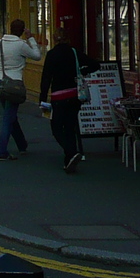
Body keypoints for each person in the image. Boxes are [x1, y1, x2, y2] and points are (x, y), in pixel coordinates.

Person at [0, 19, 42, 162]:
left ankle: (22, 145)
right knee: (8, 118)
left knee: (10, 115)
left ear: (10, 28)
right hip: (14, 85)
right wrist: (31, 38)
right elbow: (37, 56)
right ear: (22, 30)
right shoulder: (21, 45)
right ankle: (2, 152)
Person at [39, 31, 96, 173]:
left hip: (59, 96)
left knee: (57, 128)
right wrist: (81, 72)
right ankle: (69, 161)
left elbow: (46, 77)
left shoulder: (52, 54)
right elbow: (95, 65)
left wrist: (42, 97)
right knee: (70, 127)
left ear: (54, 39)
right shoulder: (74, 52)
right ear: (67, 39)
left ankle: (71, 152)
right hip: (74, 95)